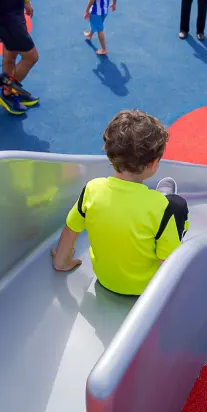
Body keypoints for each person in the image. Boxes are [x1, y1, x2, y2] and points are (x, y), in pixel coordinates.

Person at [52, 110, 189, 295]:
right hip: (147, 290)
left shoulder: (92, 189)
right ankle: (165, 217)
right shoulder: (165, 209)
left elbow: (71, 228)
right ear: (153, 163)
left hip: (105, 280)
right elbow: (167, 263)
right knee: (176, 206)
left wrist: (61, 262)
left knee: (157, 213)